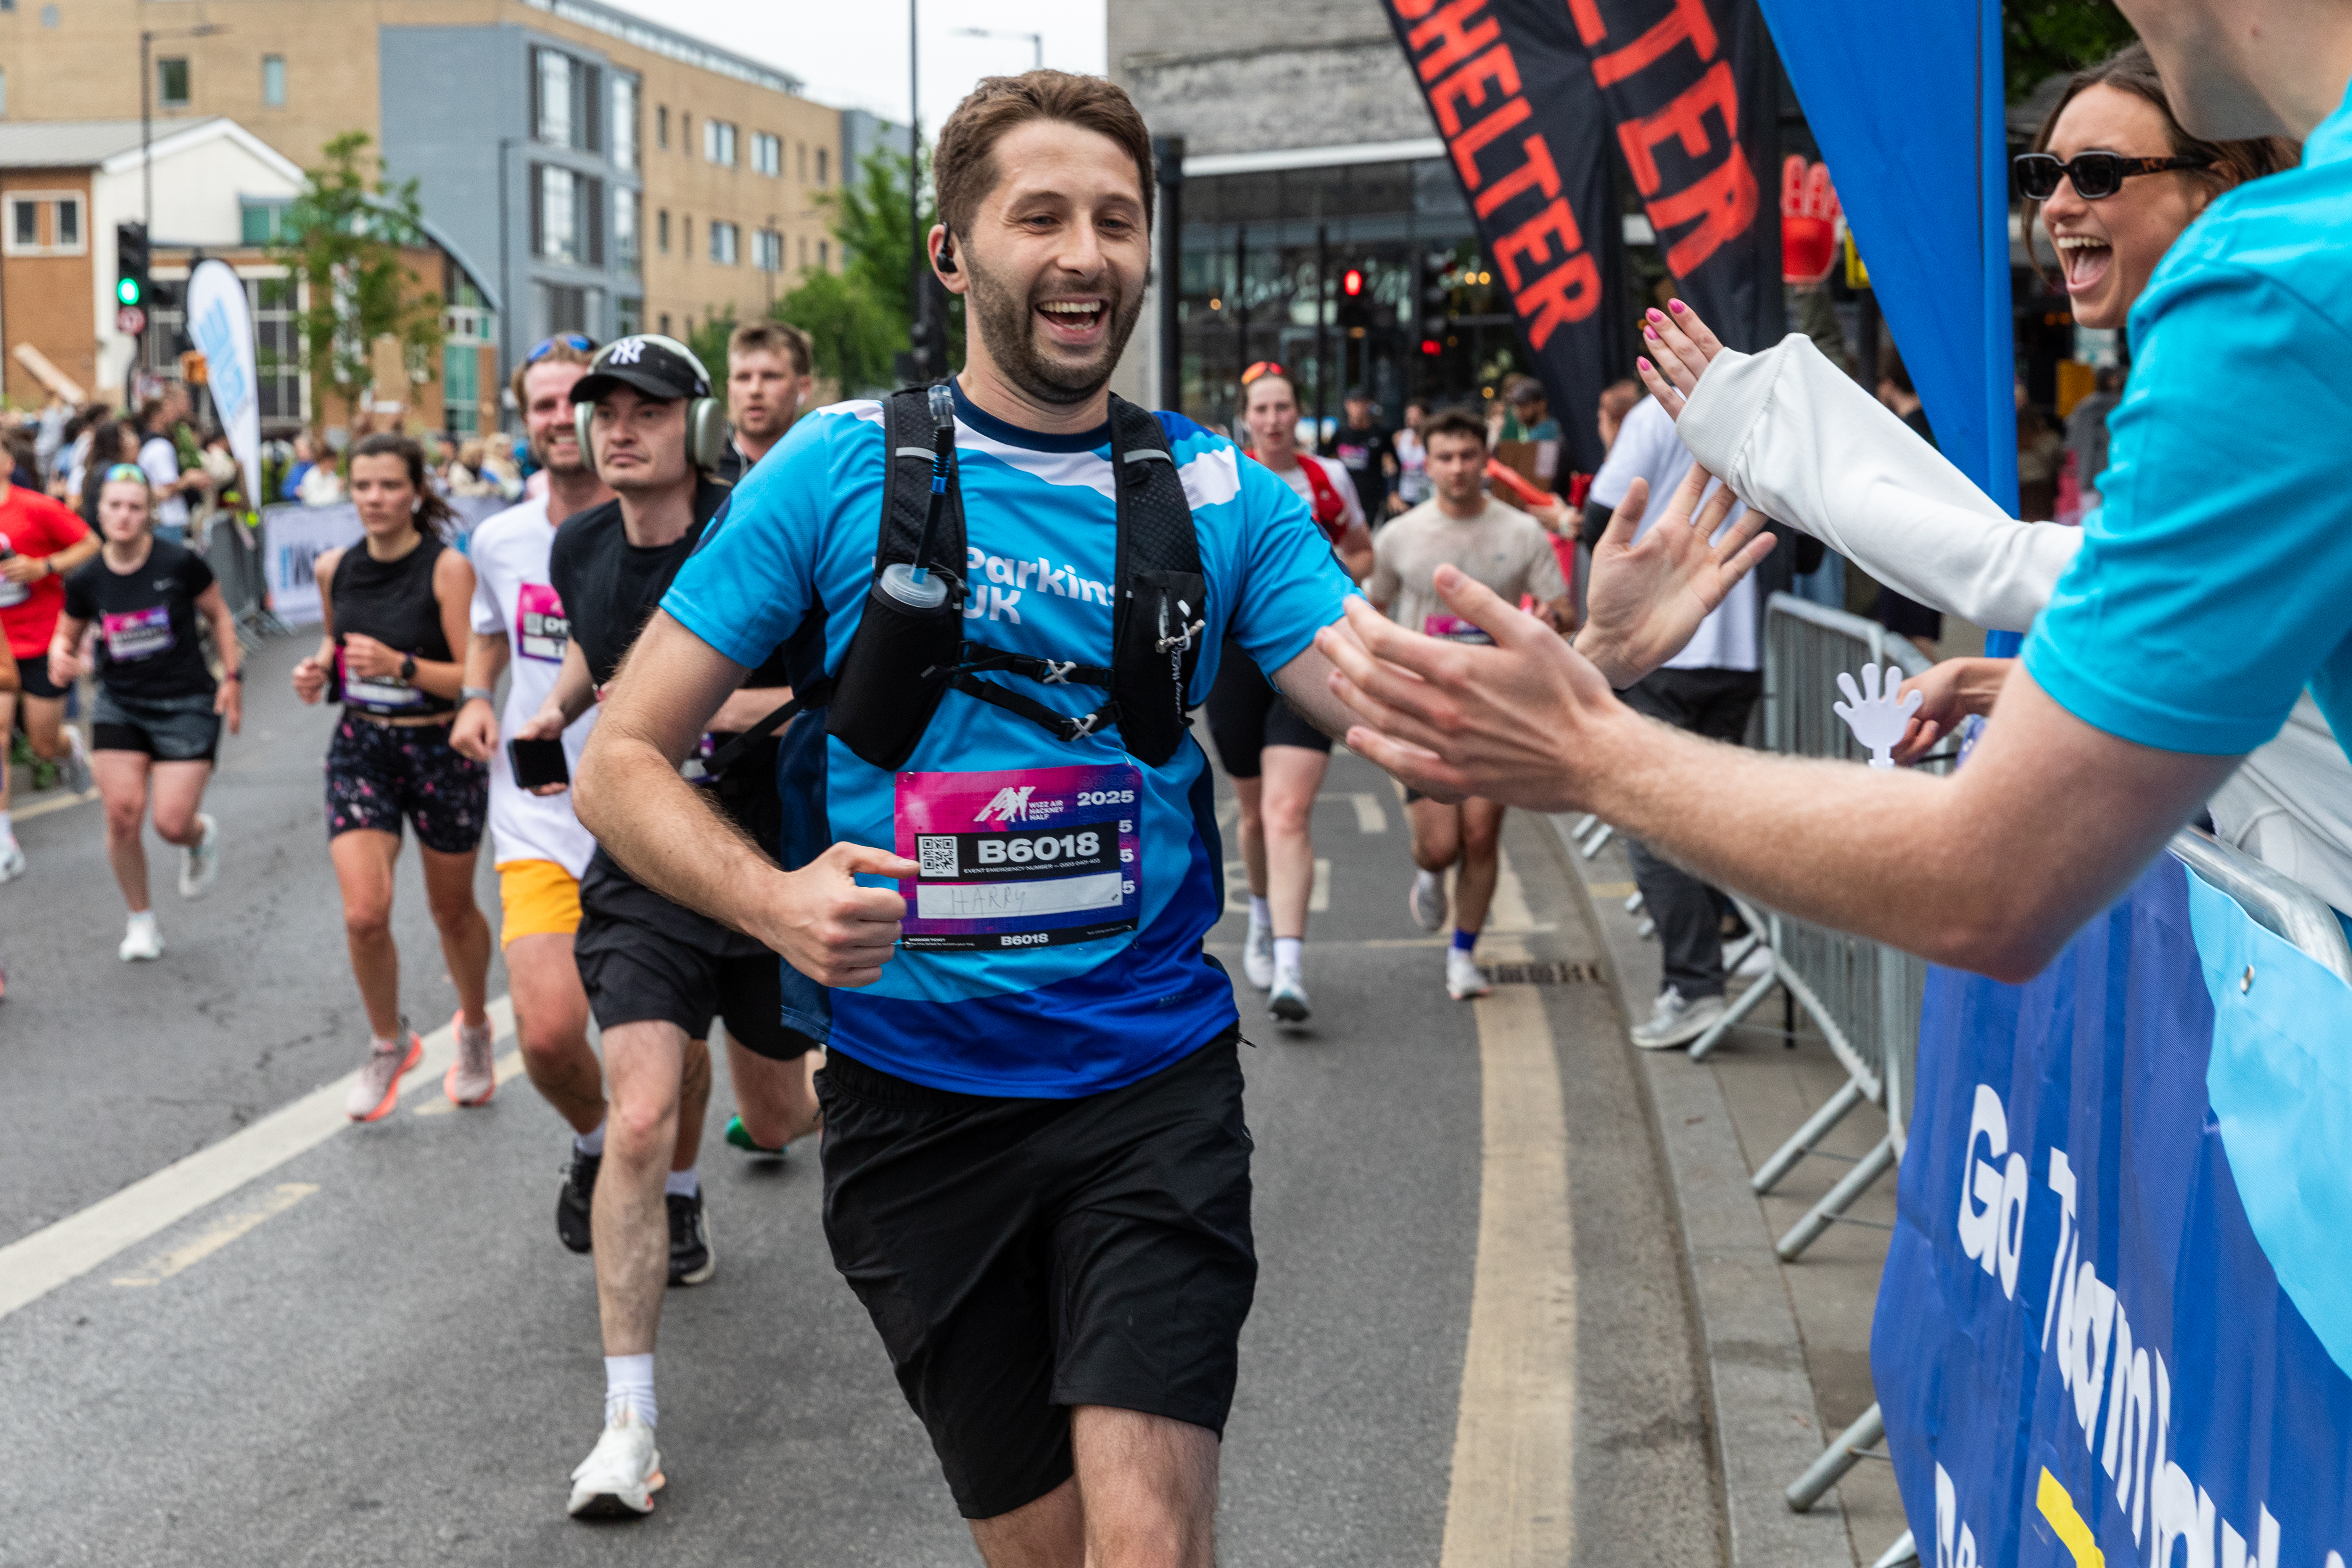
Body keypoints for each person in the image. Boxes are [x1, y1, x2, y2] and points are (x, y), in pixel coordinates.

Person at [571, 70, 1368, 1565]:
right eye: (1040, 217)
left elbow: (1398, 703)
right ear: (953, 255)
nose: (1084, 252)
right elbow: (622, 755)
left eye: (1116, 222)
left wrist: (1603, 664)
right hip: (912, 1111)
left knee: (1146, 1536)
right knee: (1044, 1546)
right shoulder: (833, 472)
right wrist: (774, 904)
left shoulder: (1218, 492)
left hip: (1149, 1085)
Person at [1317, 0, 2352, 997]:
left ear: (2217, 187)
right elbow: (2234, 636)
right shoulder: (2286, 276)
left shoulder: (2272, 284)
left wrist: (1591, 749)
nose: (2057, 204)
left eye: (2094, 172)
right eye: (2042, 173)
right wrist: (1997, 685)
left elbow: (1992, 872)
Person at [524, 333, 824, 1519]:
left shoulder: (757, 524)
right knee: (637, 1111)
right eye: (606, 407)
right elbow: (602, 652)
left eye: (648, 407)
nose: (620, 426)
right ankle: (628, 1423)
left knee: (789, 1110)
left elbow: (825, 676)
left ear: (694, 422)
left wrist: (702, 707)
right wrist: (560, 715)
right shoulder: (580, 541)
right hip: (647, 868)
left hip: (762, 869)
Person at [448, 336, 623, 1246]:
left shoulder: (662, 523)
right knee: (550, 1036)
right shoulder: (500, 537)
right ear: (524, 423)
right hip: (540, 818)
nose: (560, 420)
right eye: (542, 407)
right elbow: (488, 629)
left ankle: (673, 1188)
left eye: (574, 401)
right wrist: (479, 696)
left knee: (668, 1043)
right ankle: (599, 1143)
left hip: (650, 814)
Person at [290, 433, 496, 1122]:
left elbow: (472, 678)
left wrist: (402, 666)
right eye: (363, 486)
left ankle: (472, 1028)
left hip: (442, 750)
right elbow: (335, 640)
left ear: (416, 492)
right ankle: (389, 1042)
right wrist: (319, 668)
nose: (374, 499)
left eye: (388, 486)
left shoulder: (446, 571)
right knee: (363, 913)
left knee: (452, 911)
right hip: (363, 750)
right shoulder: (333, 568)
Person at [1582, 390, 1768, 1048]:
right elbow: (1807, 551)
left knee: (1654, 820)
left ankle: (1694, 985)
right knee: (1709, 813)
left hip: (1667, 648)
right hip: (1740, 646)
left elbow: (1601, 514)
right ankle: (1718, 953)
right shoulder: (1765, 411)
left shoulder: (1657, 413)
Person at [1370, 407, 1570, 1000]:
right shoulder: (1400, 536)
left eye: (1467, 456)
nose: (1457, 468)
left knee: (1481, 836)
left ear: (1486, 460)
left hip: (1495, 709)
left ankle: (1463, 954)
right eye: (1445, 457)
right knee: (1441, 844)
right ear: (1426, 464)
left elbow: (1559, 612)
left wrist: (1552, 622)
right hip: (1420, 711)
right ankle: (1430, 877)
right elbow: (1372, 609)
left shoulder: (1521, 533)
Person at [1209, 365, 1372, 1022]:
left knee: (1287, 812)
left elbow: (1365, 553)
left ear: (1298, 414)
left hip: (1311, 654)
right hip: (1234, 662)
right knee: (1252, 813)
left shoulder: (1329, 478)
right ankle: (1263, 921)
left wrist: (1321, 581)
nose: (1274, 419)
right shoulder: (1221, 479)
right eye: (1262, 409)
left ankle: (1291, 964)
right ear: (1247, 416)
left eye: (1284, 407)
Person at [48, 466, 239, 958]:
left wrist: (232, 679)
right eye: (115, 506)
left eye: (135, 507)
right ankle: (141, 921)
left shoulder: (179, 563)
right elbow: (65, 635)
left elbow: (219, 615)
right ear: (100, 510)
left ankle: (198, 837)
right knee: (121, 814)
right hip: (121, 703)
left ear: (149, 513)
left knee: (171, 823)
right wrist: (60, 655)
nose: (124, 516)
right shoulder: (87, 577)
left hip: (186, 702)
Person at [0, 475, 100, 879]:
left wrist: (45, 566)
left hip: (42, 637)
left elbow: (92, 544)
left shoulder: (36, 507)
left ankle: (67, 747)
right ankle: (5, 838)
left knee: (43, 743)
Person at [1868, 351, 1945, 654]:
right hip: (1927, 547)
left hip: (1907, 549)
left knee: (1912, 643)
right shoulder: (1935, 429)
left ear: (1888, 385)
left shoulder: (1904, 434)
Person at [714, 319, 815, 482]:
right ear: (730, 388)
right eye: (743, 378)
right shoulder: (700, 473)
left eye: (771, 377)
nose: (755, 390)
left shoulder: (822, 471)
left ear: (804, 387)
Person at [137, 389, 205, 547]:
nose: (177, 414)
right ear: (160, 412)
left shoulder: (154, 443)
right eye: (171, 408)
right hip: (167, 522)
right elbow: (165, 490)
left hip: (165, 522)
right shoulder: (160, 446)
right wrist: (189, 479)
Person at [1322, 385, 1396, 520]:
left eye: (1363, 404)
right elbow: (1324, 461)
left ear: (1369, 406)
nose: (1358, 409)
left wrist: (1393, 492)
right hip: (1344, 498)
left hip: (1371, 498)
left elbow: (1395, 465)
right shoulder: (1340, 435)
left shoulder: (1381, 434)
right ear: (1347, 406)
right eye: (1355, 403)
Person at [2067, 364, 2125, 505]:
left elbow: (2072, 443)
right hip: (2116, 474)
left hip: (2088, 476)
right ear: (2113, 381)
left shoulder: (2084, 407)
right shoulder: (2123, 407)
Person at [1391, 398, 1430, 510]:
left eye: (1416, 415)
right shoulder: (1399, 438)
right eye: (1409, 415)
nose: (1411, 419)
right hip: (1404, 496)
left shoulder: (1432, 440)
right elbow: (1391, 468)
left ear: (1426, 417)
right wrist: (1393, 494)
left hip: (1426, 497)